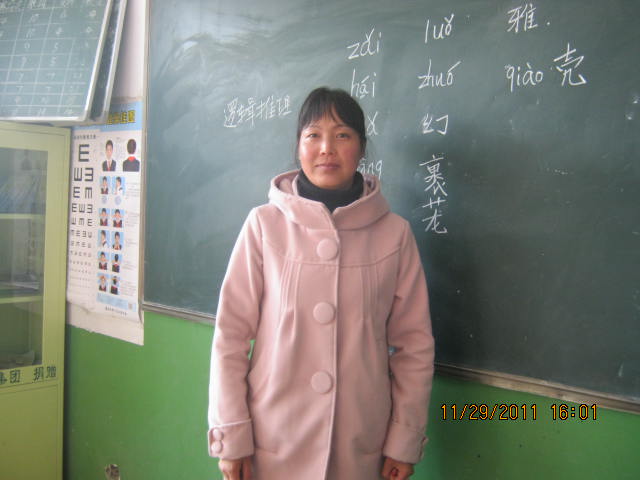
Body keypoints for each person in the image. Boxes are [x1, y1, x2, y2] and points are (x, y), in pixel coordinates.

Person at [208, 87, 434, 480]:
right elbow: (230, 336)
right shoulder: (263, 226)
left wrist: (404, 439)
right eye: (313, 135)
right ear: (299, 147)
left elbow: (414, 346)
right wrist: (232, 434)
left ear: (361, 148)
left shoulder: (394, 235)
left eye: (342, 135)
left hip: (360, 442)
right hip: (272, 439)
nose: (327, 148)